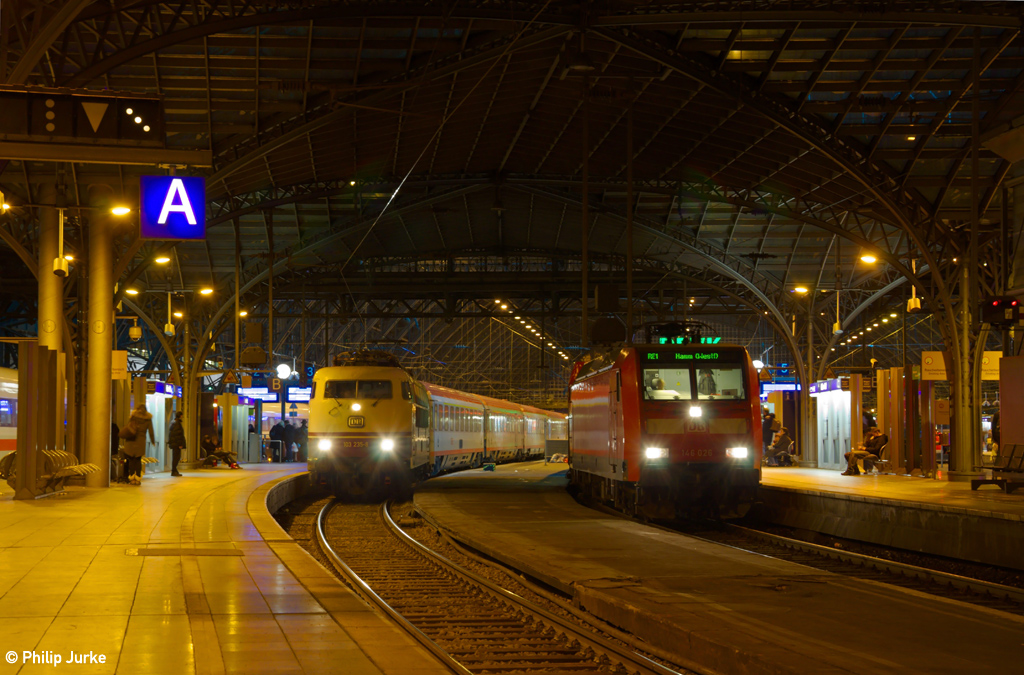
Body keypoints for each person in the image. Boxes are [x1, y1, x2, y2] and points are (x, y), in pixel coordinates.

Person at [122, 404, 155, 485]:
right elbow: (151, 431)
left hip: (131, 440)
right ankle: (138, 479)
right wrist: (153, 441)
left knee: (131, 460)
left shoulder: (133, 417)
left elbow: (128, 427)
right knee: (138, 460)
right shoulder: (148, 419)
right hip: (141, 441)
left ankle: (132, 478)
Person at [167, 411, 186, 477]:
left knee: (176, 457)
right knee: (176, 458)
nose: (182, 416)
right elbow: (177, 435)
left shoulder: (174, 422)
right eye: (182, 415)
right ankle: (174, 471)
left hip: (175, 443)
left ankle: (174, 470)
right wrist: (180, 444)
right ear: (180, 416)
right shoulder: (177, 423)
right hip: (176, 444)